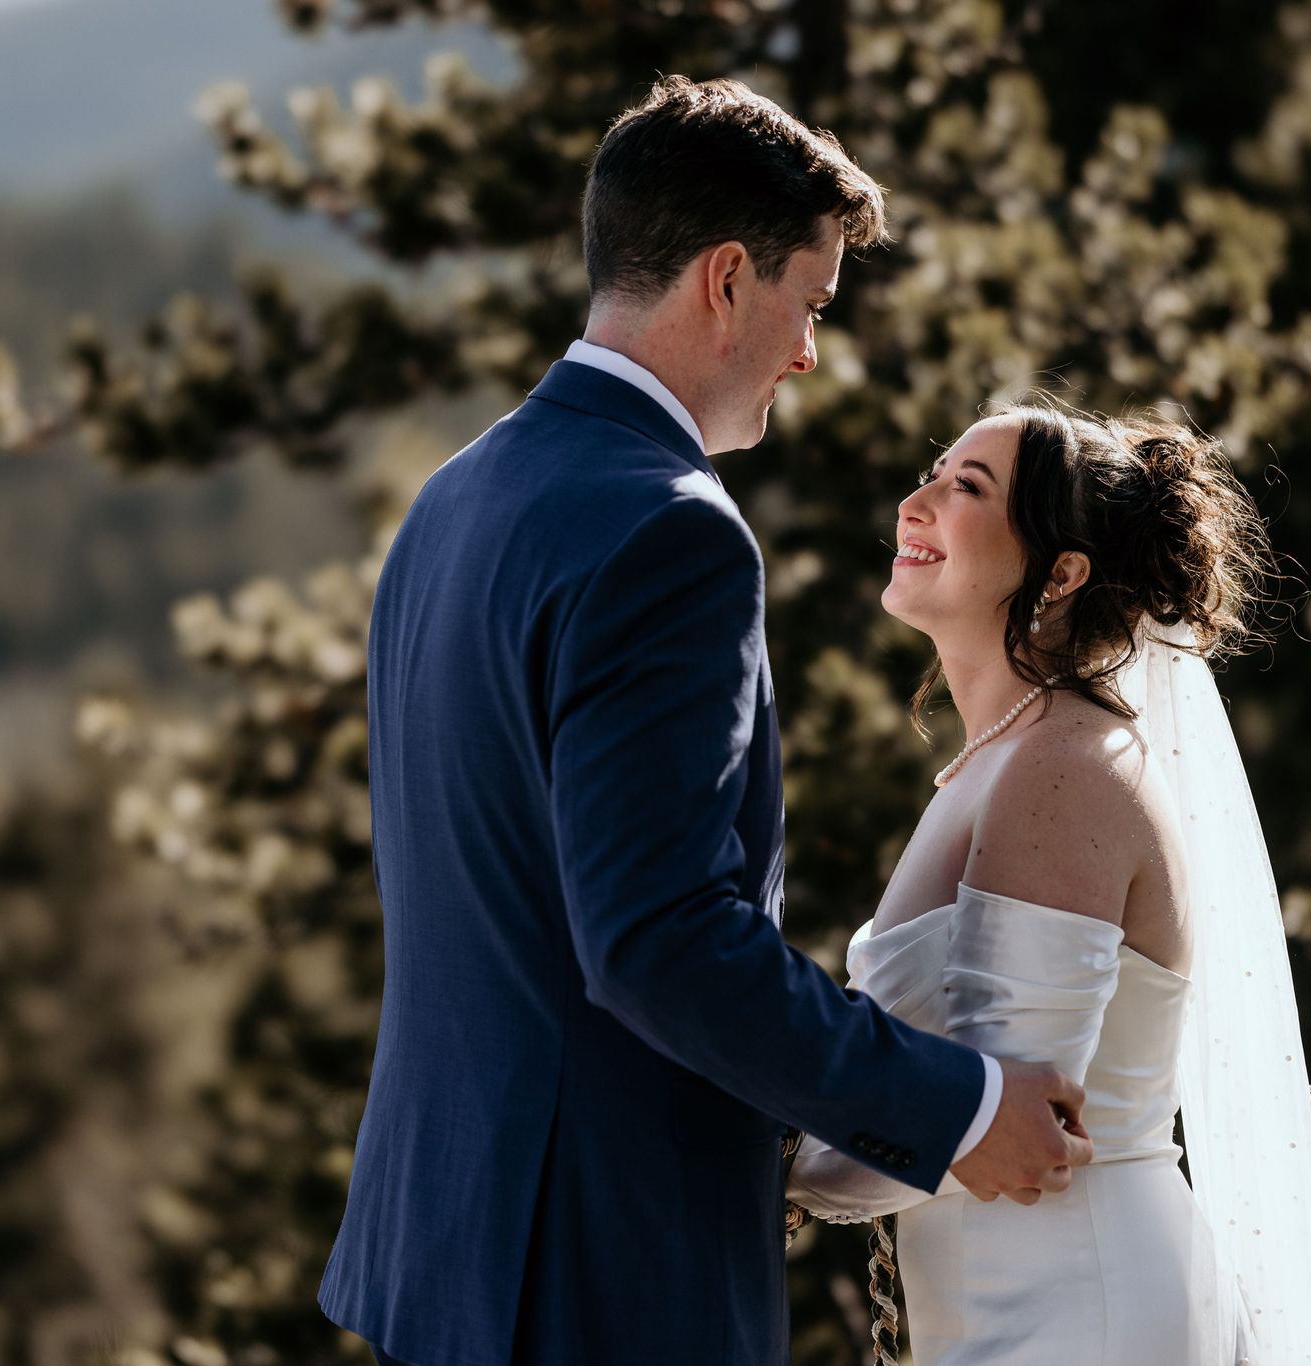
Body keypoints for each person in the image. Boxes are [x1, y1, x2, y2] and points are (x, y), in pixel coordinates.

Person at [318, 77, 1092, 1366]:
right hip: (603, 1281)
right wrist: (953, 1107)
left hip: (441, 1258)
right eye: (808, 302)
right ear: (726, 278)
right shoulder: (671, 530)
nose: (805, 351)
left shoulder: (453, 497)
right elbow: (656, 938)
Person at [787, 405, 1311, 1363]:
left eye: (966, 489)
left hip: (1076, 1304)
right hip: (1015, 1291)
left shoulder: (1067, 768)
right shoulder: (1005, 760)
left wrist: (757, 1158)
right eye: (934, 471)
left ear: (1063, 571)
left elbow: (1012, 1115)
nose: (913, 504)